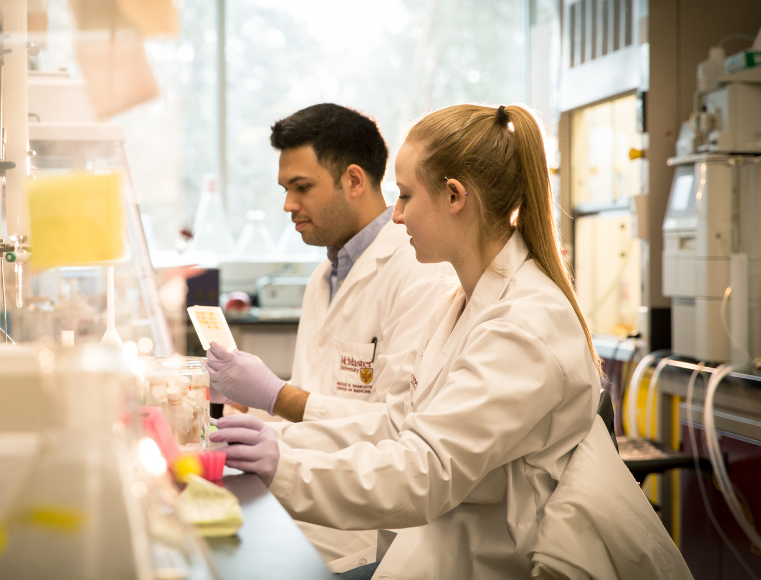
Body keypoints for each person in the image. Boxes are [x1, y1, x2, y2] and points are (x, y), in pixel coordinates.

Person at [209, 103, 606, 579]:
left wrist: (284, 463)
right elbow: (396, 425)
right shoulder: (465, 303)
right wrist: (272, 436)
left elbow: (426, 471)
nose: (395, 216)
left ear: (455, 196)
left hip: (489, 562)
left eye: (405, 196)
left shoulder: (524, 324)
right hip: (430, 545)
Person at [206, 103, 456, 568]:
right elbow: (316, 413)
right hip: (305, 508)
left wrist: (278, 398)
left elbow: (399, 429)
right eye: (285, 189)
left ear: (355, 181)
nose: (287, 205)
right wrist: (253, 419)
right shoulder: (326, 274)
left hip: (370, 534)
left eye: (302, 188)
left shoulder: (421, 272)